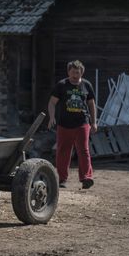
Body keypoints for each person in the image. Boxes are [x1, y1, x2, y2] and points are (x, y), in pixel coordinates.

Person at [47, 60, 97, 189]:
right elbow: (52, 102)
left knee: (83, 150)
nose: (75, 75)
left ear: (82, 73)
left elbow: (91, 104)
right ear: (68, 72)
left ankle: (86, 178)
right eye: (73, 72)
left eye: (78, 73)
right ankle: (62, 179)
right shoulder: (62, 85)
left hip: (82, 123)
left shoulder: (87, 85)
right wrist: (52, 117)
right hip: (64, 124)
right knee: (63, 151)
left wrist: (94, 122)